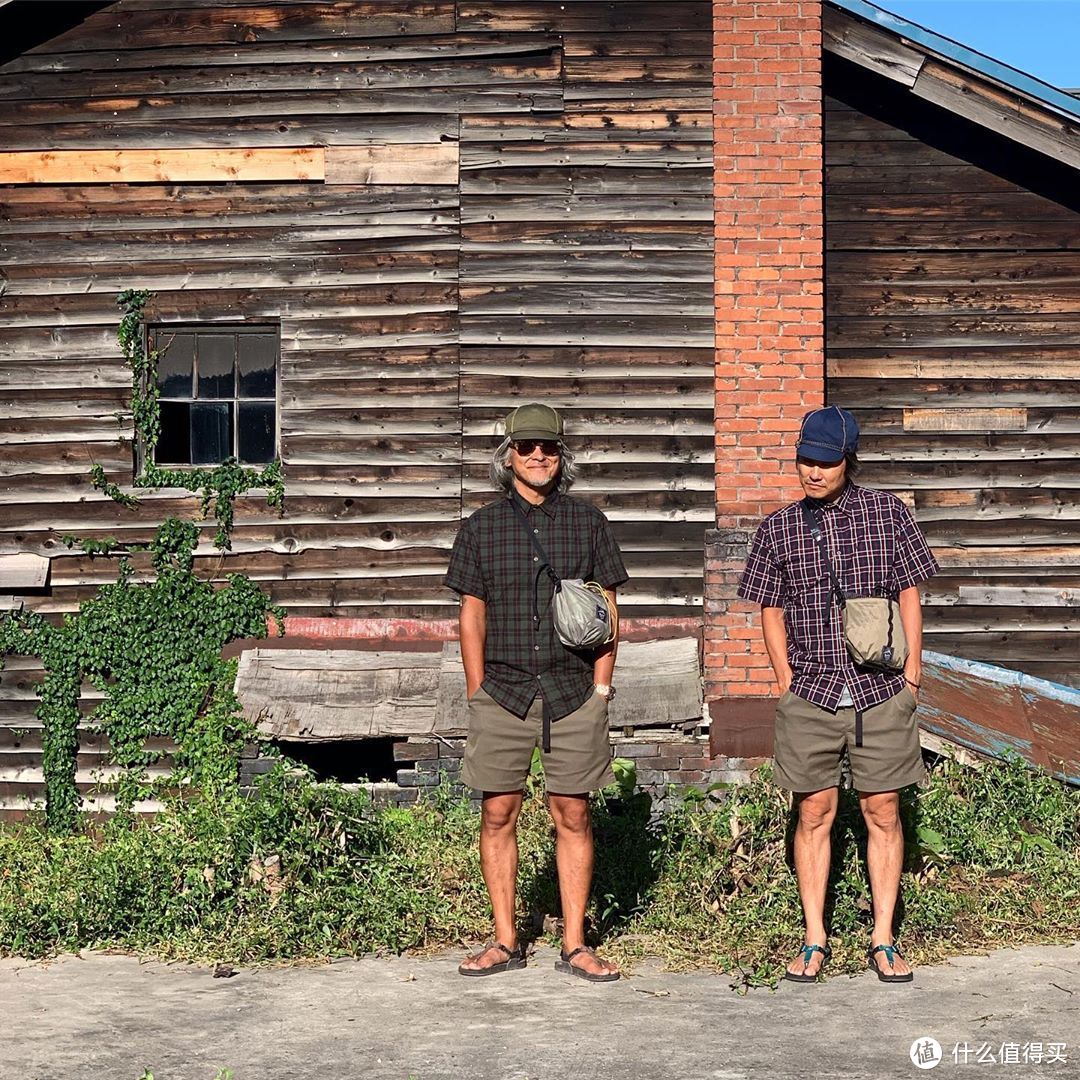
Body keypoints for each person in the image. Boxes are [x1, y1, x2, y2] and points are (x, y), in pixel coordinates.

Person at [737, 405, 939, 984]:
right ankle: (814, 939)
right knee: (815, 812)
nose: (813, 471)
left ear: (848, 461)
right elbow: (770, 609)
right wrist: (783, 681)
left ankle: (882, 939)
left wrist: (914, 672)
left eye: (825, 462)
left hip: (880, 691)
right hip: (812, 692)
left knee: (882, 811)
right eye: (805, 459)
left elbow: (908, 594)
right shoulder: (778, 527)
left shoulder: (888, 515)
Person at [444, 402, 628, 982]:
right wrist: (477, 690)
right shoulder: (480, 528)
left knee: (572, 811)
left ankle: (575, 943)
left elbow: (608, 610)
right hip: (502, 690)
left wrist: (602, 687)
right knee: (498, 811)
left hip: (573, 690)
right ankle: (505, 938)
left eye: (548, 447)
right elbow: (471, 616)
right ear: (509, 456)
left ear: (561, 455)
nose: (539, 456)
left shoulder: (588, 523)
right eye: (526, 447)